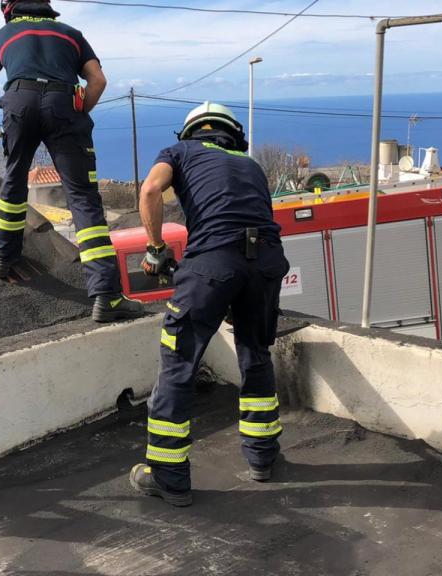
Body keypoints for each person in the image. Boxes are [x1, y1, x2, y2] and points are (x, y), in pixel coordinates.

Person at [128, 102, 290, 506]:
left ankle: (168, 476)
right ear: (233, 135)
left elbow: (150, 191)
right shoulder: (251, 165)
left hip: (213, 263)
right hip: (267, 260)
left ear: (190, 133)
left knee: (179, 362)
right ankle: (262, 458)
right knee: (255, 354)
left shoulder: (180, 153)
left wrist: (155, 249)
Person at [0, 0, 145, 323]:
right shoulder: (71, 34)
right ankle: (106, 297)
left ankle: (5, 259)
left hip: (19, 101)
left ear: (9, 9)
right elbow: (98, 81)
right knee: (82, 197)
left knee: (14, 181)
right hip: (64, 103)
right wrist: (75, 115)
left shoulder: (4, 35)